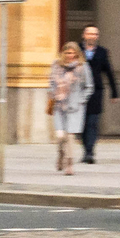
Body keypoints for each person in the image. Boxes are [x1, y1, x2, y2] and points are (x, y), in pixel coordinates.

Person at [48, 40, 93, 173]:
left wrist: (81, 100)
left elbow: (89, 86)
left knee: (70, 136)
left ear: (77, 54)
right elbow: (51, 82)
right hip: (59, 105)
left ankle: (69, 163)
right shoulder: (56, 66)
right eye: (67, 53)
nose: (70, 55)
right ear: (63, 53)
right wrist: (52, 94)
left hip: (75, 107)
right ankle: (61, 153)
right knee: (60, 136)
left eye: (73, 53)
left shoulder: (82, 67)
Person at [79, 23, 115, 163]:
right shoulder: (77, 50)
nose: (92, 36)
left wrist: (114, 92)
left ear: (97, 37)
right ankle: (86, 149)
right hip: (80, 92)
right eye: (89, 33)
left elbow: (109, 72)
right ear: (84, 35)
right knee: (81, 124)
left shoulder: (102, 52)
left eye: (94, 34)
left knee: (93, 123)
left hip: (96, 92)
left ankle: (90, 151)